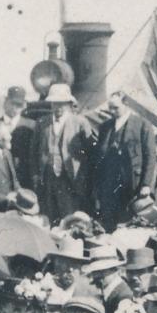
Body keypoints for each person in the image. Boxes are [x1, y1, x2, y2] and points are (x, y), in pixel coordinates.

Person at [91, 90, 157, 228]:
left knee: (129, 223)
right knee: (108, 221)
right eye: (110, 107)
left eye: (115, 107)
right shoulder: (105, 127)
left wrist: (146, 184)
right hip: (109, 185)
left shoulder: (142, 125)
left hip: (132, 185)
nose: (112, 111)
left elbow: (150, 157)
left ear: (126, 104)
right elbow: (99, 158)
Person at [35, 84, 94, 223]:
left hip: (70, 179)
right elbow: (34, 152)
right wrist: (36, 174)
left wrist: (83, 177)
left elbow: (91, 154)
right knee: (48, 215)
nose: (58, 107)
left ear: (69, 104)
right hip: (48, 177)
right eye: (55, 103)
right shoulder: (42, 123)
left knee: (70, 217)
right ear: (50, 104)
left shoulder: (80, 122)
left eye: (62, 104)